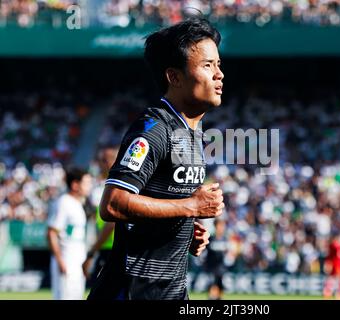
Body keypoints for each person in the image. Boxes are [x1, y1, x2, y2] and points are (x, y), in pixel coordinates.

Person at [87, 17, 225, 300]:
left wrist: (186, 233)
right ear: (174, 77)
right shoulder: (154, 129)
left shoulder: (192, 132)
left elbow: (161, 202)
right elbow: (112, 204)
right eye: (207, 65)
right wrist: (190, 206)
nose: (219, 74)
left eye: (219, 64)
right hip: (132, 291)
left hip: (171, 290)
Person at [47, 167, 93, 300]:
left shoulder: (78, 204)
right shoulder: (64, 202)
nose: (89, 186)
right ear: (75, 185)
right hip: (67, 260)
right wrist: (61, 261)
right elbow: (51, 233)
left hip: (77, 261)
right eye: (86, 183)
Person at [82, 146, 119, 283]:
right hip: (109, 249)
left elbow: (111, 224)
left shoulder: (116, 188)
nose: (100, 163)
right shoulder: (102, 186)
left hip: (113, 250)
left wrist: (92, 252)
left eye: (104, 160)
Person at [205, 219, 228, 300]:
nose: (221, 228)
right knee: (212, 284)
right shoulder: (211, 238)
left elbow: (228, 253)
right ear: (215, 226)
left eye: (222, 226)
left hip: (221, 267)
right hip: (211, 267)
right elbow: (205, 252)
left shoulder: (225, 239)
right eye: (219, 226)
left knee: (220, 286)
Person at [323, 231, 340, 299]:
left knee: (339, 279)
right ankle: (329, 292)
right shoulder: (333, 245)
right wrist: (328, 263)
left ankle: (339, 293)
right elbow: (329, 256)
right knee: (333, 278)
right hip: (335, 265)